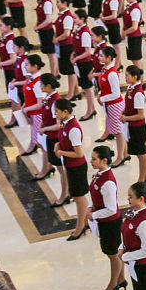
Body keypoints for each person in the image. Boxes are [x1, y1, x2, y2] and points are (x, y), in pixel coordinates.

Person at [86, 146, 126, 290]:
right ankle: (121, 279)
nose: (91, 161)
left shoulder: (108, 182)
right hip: (104, 220)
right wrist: (91, 207)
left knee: (113, 254)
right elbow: (97, 197)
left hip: (110, 222)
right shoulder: (99, 175)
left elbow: (111, 209)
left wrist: (93, 215)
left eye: (94, 159)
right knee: (111, 252)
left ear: (104, 160)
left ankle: (113, 284)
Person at [52, 99, 91, 238]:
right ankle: (84, 222)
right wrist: (58, 145)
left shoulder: (73, 128)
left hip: (77, 167)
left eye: (57, 111)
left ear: (65, 112)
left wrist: (61, 152)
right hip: (70, 165)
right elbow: (64, 141)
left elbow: (78, 153)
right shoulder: (64, 124)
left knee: (79, 197)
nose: (55, 114)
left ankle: (80, 227)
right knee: (77, 196)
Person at [121, 64, 146, 182]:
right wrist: (123, 112)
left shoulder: (137, 93)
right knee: (143, 154)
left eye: (127, 76)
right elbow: (129, 106)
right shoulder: (131, 89)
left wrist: (126, 118)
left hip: (138, 128)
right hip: (132, 126)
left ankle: (141, 179)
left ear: (134, 77)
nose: (125, 78)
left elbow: (140, 115)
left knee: (141, 155)